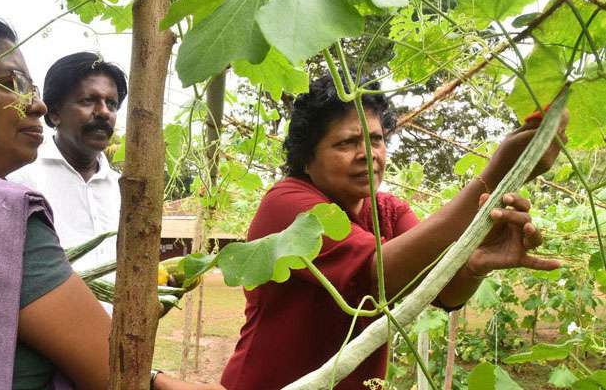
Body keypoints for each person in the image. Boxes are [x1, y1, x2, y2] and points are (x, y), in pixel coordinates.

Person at [0, 14, 223, 390]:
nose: (36, 105)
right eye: (13, 84)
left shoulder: (123, 186)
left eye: (111, 103)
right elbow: (118, 377)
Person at [220, 74, 567, 389]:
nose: (367, 154)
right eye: (346, 143)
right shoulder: (287, 203)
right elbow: (380, 273)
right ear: (307, 160)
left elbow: (444, 292)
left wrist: (475, 263)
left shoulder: (389, 210)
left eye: (376, 139)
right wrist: (501, 170)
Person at [9, 52, 125, 270]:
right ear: (54, 114)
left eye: (112, 104)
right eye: (88, 101)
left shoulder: (123, 188)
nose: (103, 112)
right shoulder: (20, 180)